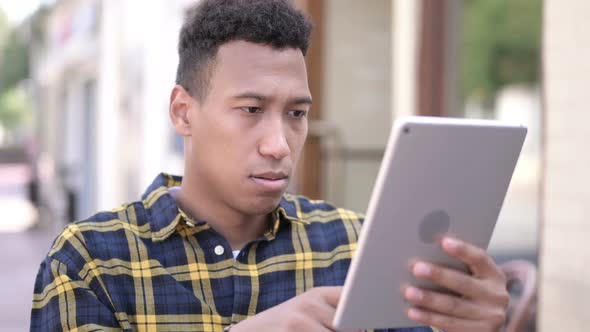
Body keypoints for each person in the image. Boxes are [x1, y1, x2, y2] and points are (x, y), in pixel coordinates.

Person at [31, 0, 509, 331]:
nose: (280, 144)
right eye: (251, 110)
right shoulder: (91, 261)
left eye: (296, 114)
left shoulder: (356, 248)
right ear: (183, 111)